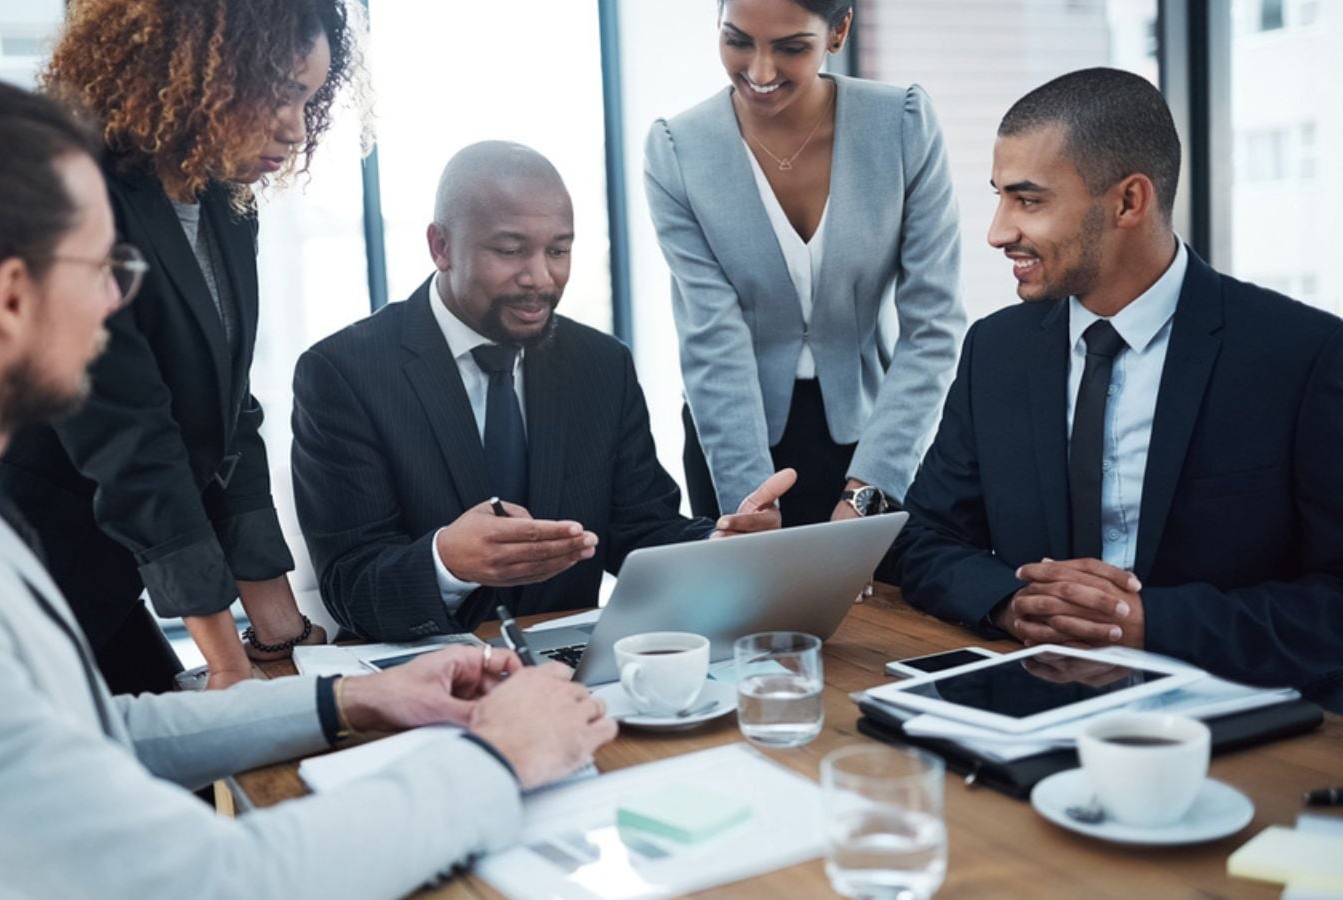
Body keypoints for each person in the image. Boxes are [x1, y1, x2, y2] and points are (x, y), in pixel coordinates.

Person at [0, 77, 616, 900]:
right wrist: (498, 763)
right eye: (105, 272)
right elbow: (214, 885)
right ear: (11, 300)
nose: (116, 306)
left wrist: (355, 695)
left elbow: (83, 737)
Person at [889, 68, 1343, 710]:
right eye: (999, 197)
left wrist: (1144, 624)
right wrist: (1014, 603)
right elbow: (925, 539)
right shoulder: (995, 349)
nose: (997, 231)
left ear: (1129, 202)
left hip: (1230, 723)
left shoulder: (1302, 354)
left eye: (1028, 200)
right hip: (1031, 706)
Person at [292, 141, 796, 642]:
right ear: (440, 247)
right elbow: (350, 584)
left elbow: (642, 529)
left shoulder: (602, 364)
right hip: (423, 669)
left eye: (559, 250)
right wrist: (448, 560)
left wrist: (721, 544)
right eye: (510, 251)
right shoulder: (343, 373)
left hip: (570, 665)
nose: (541, 278)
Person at [0, 0, 352, 693]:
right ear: (196, 69)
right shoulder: (77, 197)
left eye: (308, 100)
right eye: (280, 94)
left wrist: (280, 628)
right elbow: (134, 445)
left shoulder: (221, 198)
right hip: (29, 578)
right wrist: (226, 663)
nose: (297, 129)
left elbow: (228, 416)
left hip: (108, 579)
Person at [645, 0, 965, 529]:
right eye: (738, 40)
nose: (760, 71)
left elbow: (934, 325)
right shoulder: (677, 150)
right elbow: (712, 338)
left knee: (880, 609)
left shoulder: (902, 124)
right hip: (735, 440)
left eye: (791, 48)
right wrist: (749, 501)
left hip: (876, 437)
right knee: (750, 603)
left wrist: (870, 491)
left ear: (838, 31)